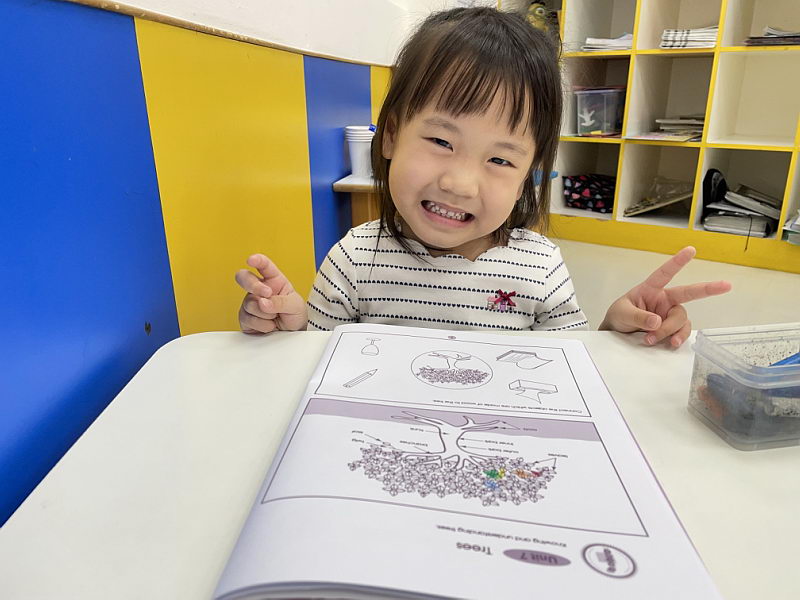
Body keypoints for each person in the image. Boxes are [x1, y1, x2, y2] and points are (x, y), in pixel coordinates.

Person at [235, 7, 730, 347]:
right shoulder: (353, 260)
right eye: (440, 141)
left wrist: (615, 337)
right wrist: (287, 332)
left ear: (528, 176)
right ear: (390, 137)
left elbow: (569, 367)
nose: (460, 183)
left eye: (501, 160)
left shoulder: (539, 269)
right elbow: (319, 364)